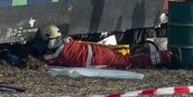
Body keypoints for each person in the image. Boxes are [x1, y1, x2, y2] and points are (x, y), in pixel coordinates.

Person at [35, 25, 172, 69]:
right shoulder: (67, 41)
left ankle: (163, 57)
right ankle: (157, 54)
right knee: (128, 58)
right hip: (101, 51)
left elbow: (44, 60)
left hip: (98, 60)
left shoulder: (56, 54)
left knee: (130, 63)